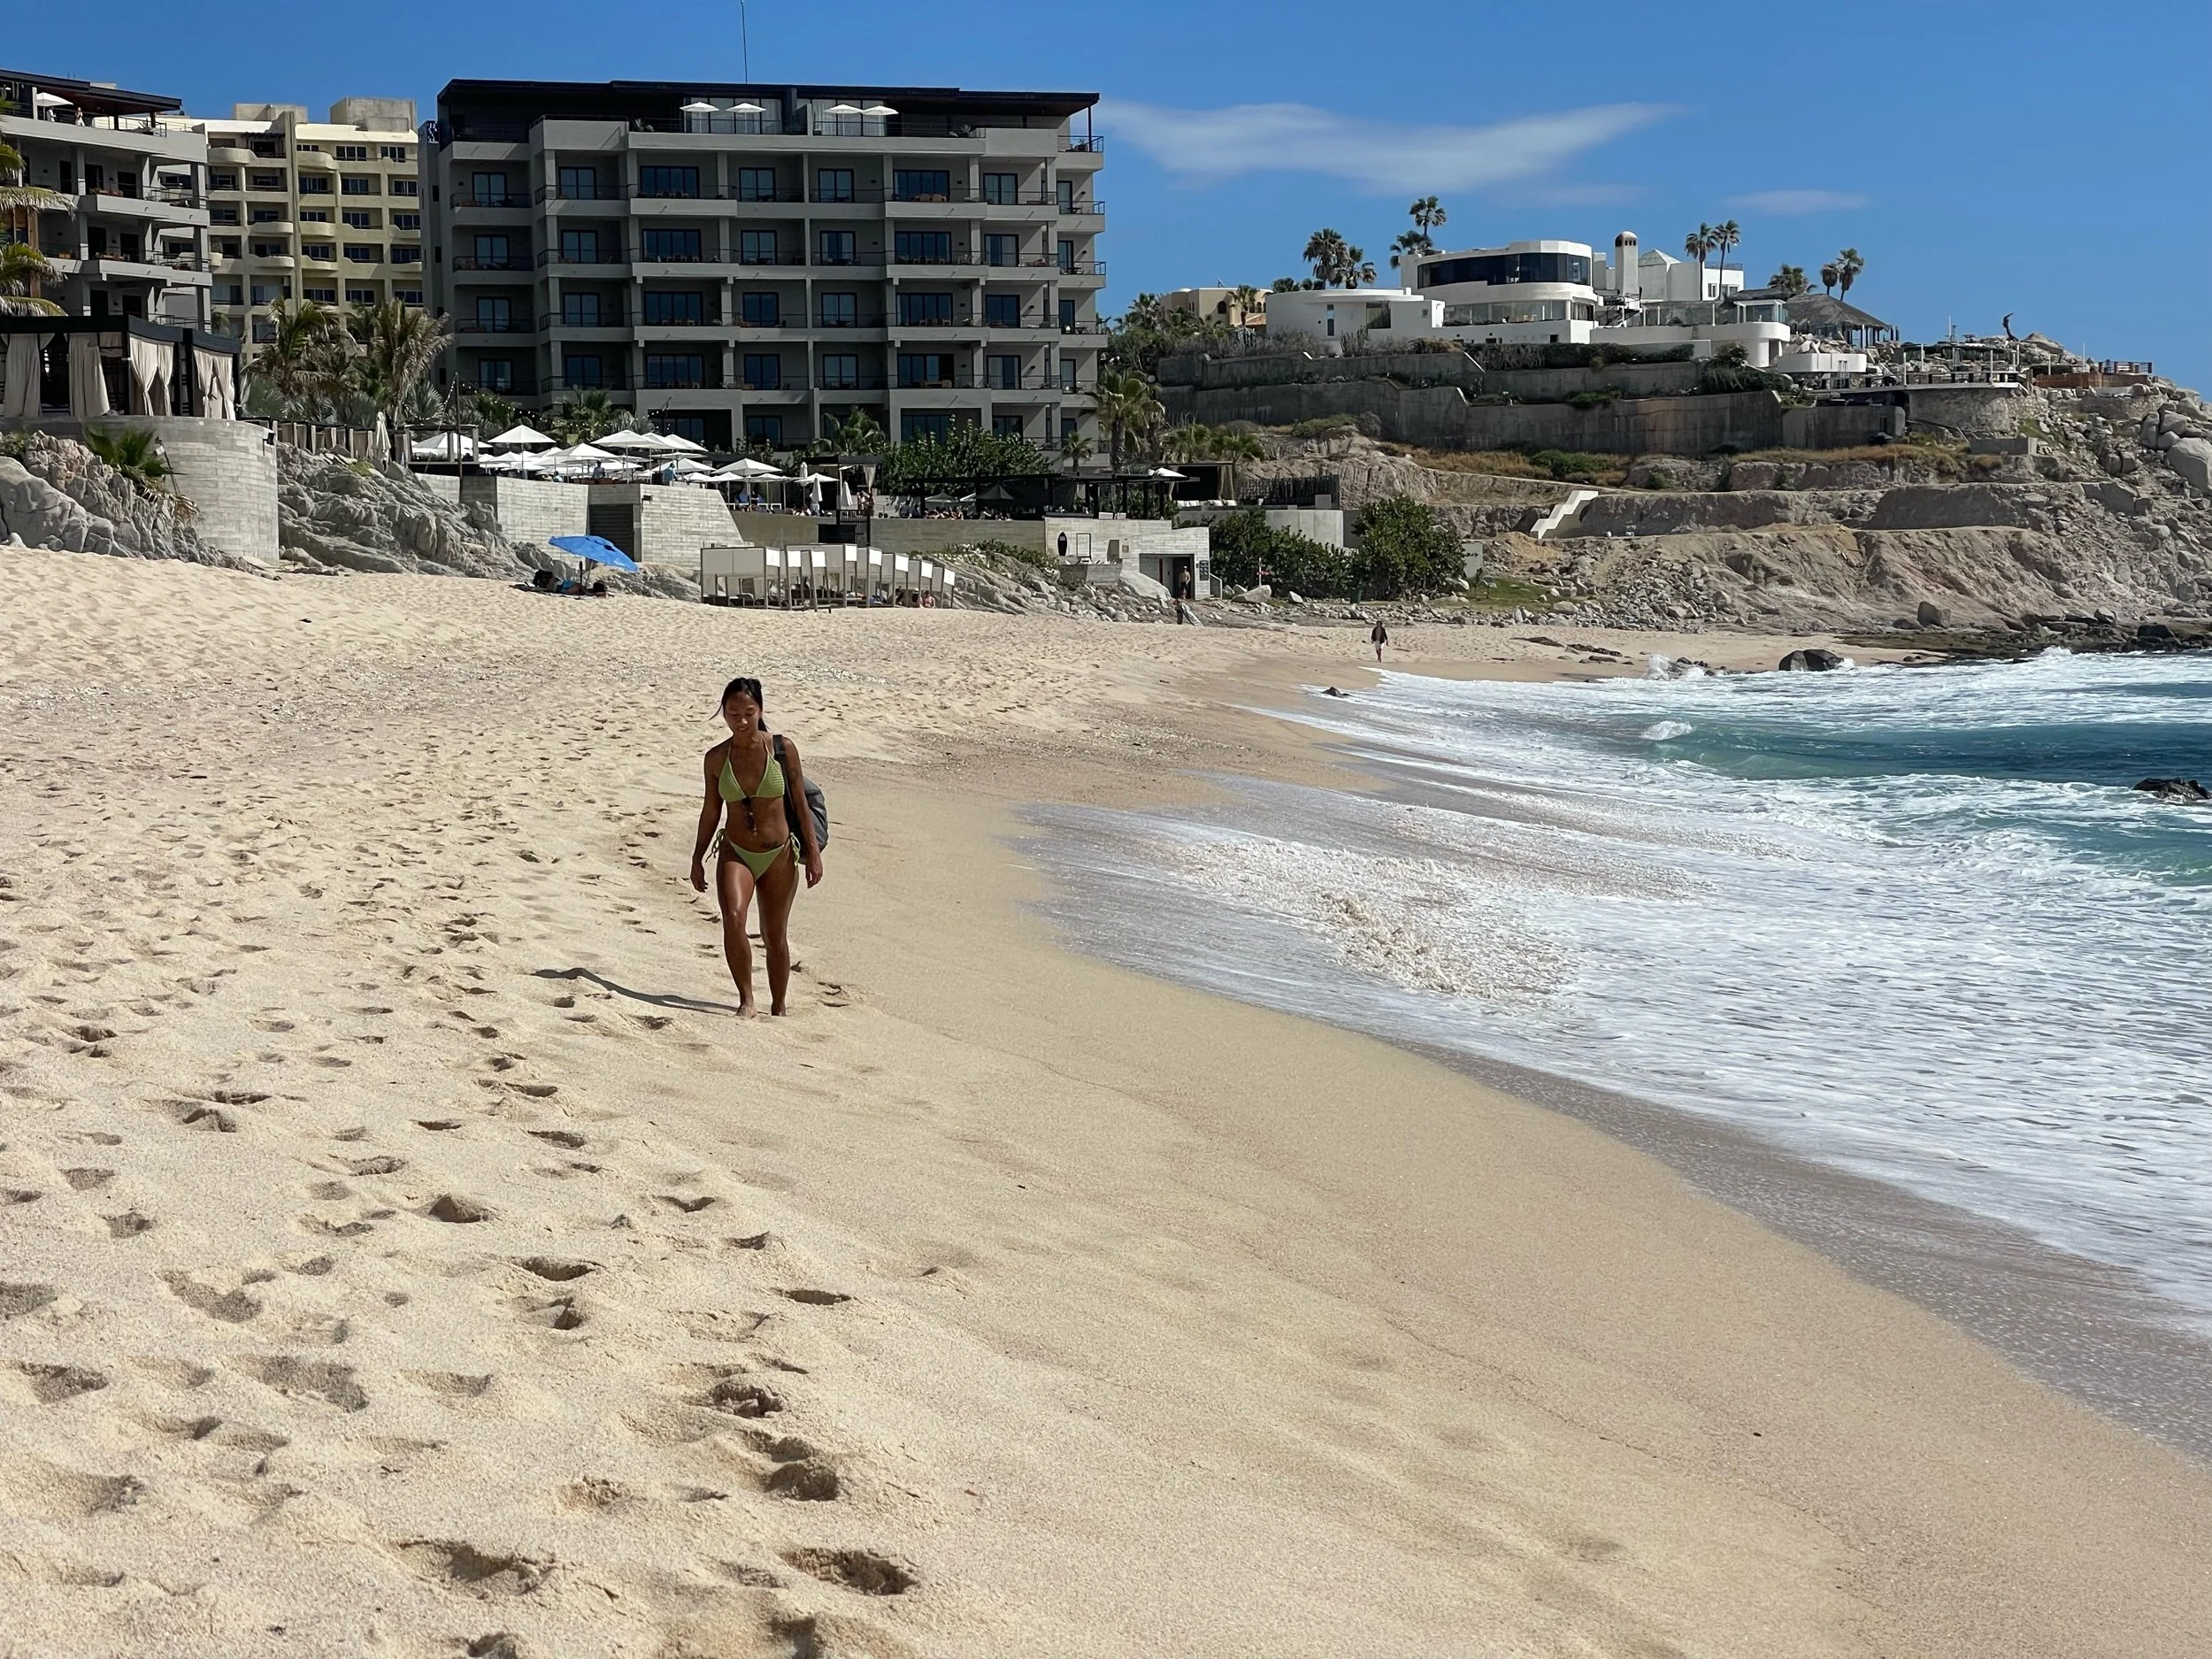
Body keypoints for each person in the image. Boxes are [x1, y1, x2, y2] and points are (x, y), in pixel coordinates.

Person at [689, 677, 824, 1016]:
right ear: (724, 713)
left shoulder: (782, 749)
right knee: (733, 918)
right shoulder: (717, 759)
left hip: (779, 854)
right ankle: (747, 999)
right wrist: (697, 857)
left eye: (749, 712)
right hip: (737, 851)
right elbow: (710, 811)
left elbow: (800, 802)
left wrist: (814, 853)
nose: (741, 720)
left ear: (760, 710)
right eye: (733, 713)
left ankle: (778, 1006)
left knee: (774, 934)